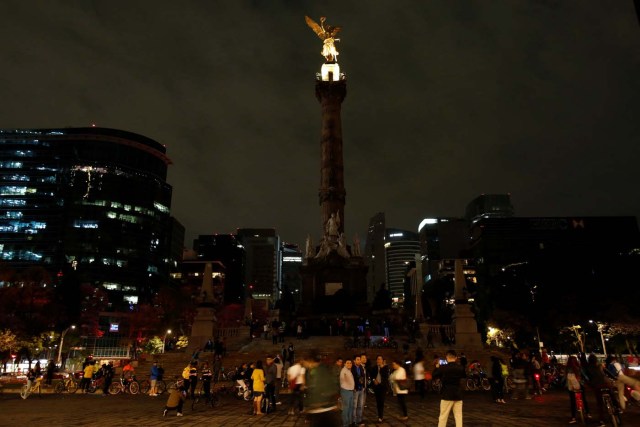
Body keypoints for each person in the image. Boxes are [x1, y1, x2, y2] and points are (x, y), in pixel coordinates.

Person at [433, 349, 466, 427]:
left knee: (443, 417)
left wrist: (437, 367)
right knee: (458, 416)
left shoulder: (443, 367)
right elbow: (464, 376)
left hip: (446, 394)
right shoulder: (460, 368)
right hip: (458, 394)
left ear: (447, 357)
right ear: (456, 358)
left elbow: (434, 376)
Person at [566, 355, 591, 424]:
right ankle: (588, 413)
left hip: (571, 387)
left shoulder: (567, 368)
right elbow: (585, 376)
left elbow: (565, 379)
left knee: (572, 401)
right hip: (580, 386)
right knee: (583, 399)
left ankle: (573, 417)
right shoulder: (579, 368)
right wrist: (587, 380)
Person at [585, 354, 608, 427]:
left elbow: (587, 378)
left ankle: (601, 421)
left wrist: (589, 385)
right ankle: (617, 407)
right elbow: (605, 374)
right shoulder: (599, 366)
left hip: (596, 386)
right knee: (611, 393)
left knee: (600, 403)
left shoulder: (587, 368)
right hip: (605, 384)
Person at [369, 355, 390, 423]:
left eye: (380, 359)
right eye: (378, 359)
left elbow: (386, 376)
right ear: (376, 360)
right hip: (377, 387)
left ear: (382, 360)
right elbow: (371, 375)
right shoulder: (374, 367)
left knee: (382, 401)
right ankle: (379, 415)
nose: (379, 360)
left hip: (383, 387)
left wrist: (382, 368)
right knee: (378, 402)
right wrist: (373, 379)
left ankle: (380, 416)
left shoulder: (386, 367)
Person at [351, 354, 367, 426]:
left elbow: (363, 378)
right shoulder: (352, 368)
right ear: (354, 361)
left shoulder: (361, 367)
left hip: (361, 389)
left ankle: (359, 420)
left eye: (359, 359)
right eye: (358, 359)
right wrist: (353, 387)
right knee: (354, 406)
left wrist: (363, 386)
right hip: (355, 389)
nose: (359, 361)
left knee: (360, 405)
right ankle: (354, 421)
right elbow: (352, 379)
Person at [340, 359, 355, 427]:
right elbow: (344, 379)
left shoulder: (348, 370)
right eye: (348, 363)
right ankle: (345, 424)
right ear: (344, 364)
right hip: (346, 391)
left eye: (350, 363)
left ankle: (349, 422)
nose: (349, 364)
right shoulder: (344, 371)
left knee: (350, 407)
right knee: (346, 408)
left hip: (350, 391)